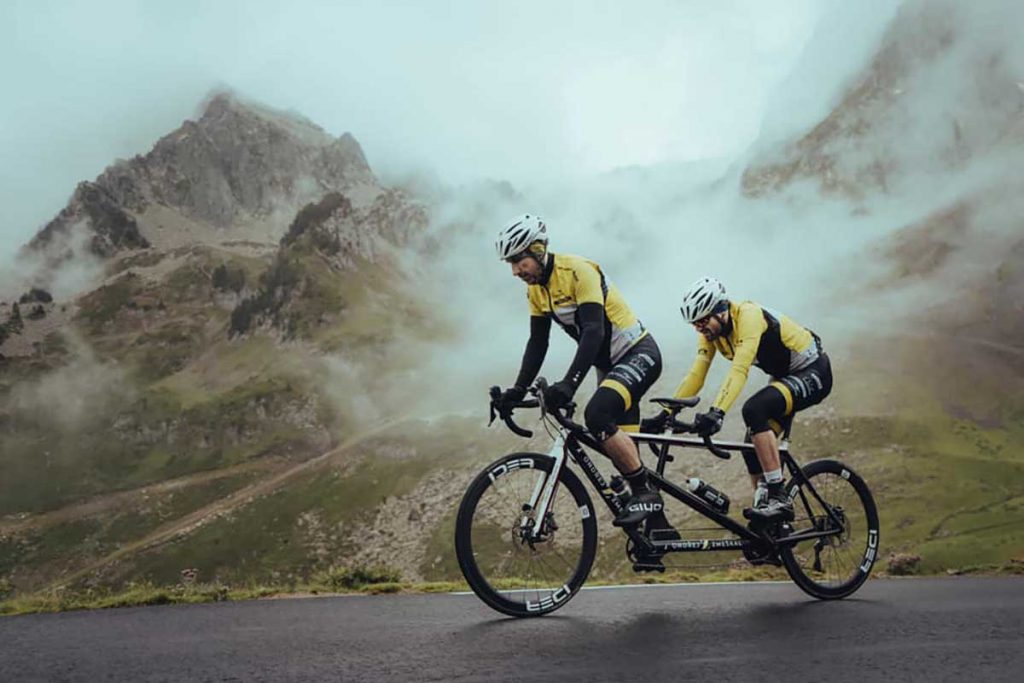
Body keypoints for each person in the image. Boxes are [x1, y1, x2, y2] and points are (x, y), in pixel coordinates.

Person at [493, 214, 665, 527]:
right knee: (623, 453)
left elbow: (594, 332)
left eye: (519, 261)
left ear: (538, 249)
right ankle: (659, 532)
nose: (516, 271)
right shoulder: (536, 290)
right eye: (511, 264)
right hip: (608, 365)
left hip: (638, 352)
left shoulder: (578, 270)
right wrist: (517, 391)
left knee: (597, 415)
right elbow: (537, 343)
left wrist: (570, 384)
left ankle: (647, 495)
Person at [645, 276, 832, 522]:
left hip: (813, 371)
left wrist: (717, 412)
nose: (699, 329)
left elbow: (739, 370)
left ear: (720, 311)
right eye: (694, 325)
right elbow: (697, 373)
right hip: (784, 377)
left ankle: (779, 497)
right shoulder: (712, 334)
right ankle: (768, 522)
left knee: (755, 410)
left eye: (702, 322)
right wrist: (667, 413)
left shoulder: (749, 316)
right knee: (751, 449)